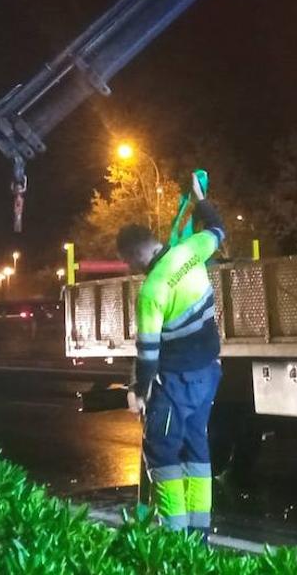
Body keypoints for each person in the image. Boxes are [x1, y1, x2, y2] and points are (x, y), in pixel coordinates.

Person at [116, 172, 224, 536]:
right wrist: (199, 199)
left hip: (175, 381)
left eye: (127, 261)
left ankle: (174, 535)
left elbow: (148, 351)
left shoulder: (152, 289)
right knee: (197, 449)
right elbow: (217, 229)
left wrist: (138, 390)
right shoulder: (190, 251)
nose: (130, 267)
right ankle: (199, 533)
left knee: (162, 453)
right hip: (207, 373)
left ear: (134, 254)